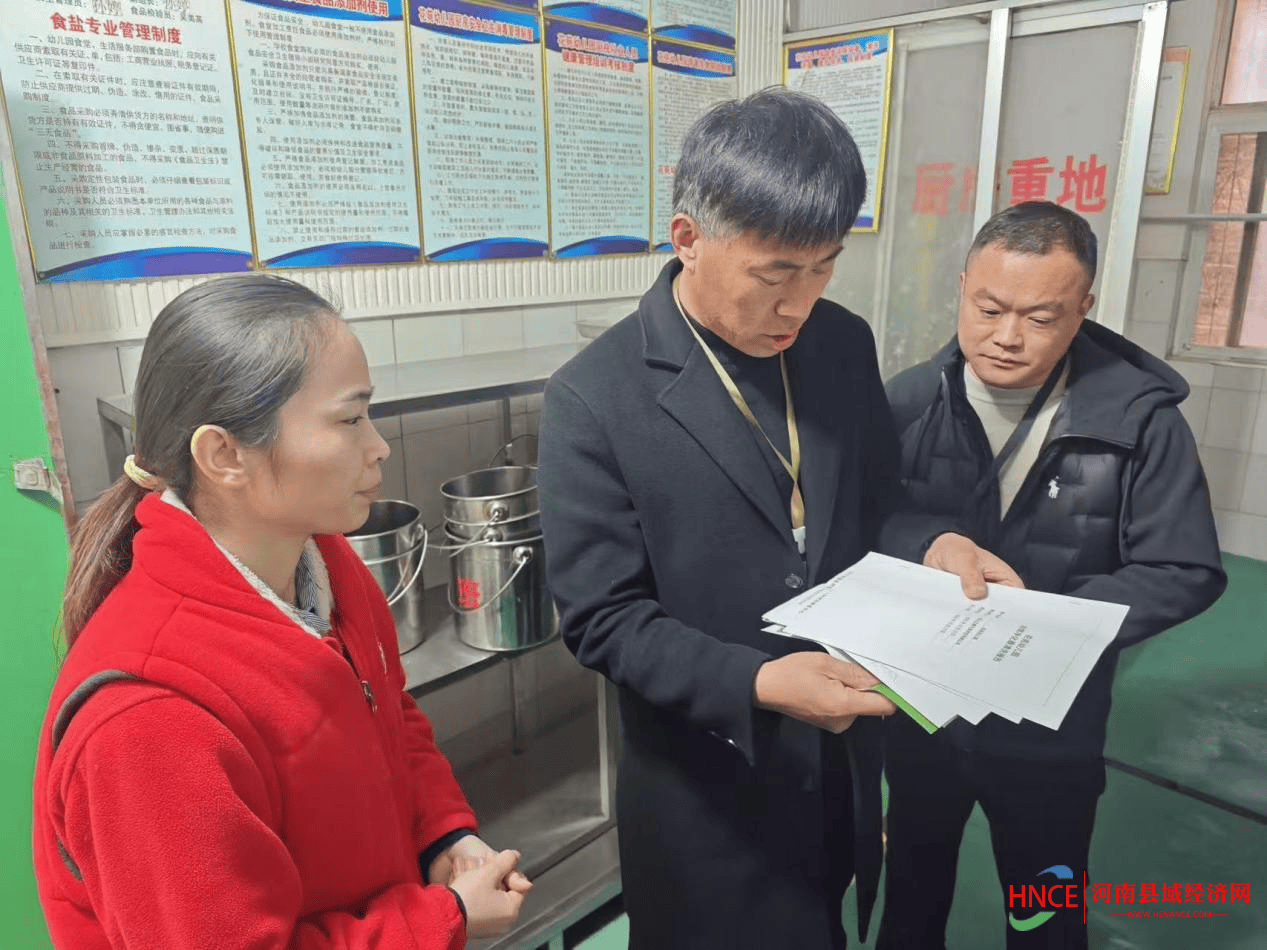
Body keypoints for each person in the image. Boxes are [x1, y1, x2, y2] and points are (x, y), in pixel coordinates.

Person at [536, 87, 1004, 950]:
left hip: (839, 757)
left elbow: (875, 502)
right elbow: (603, 620)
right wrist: (757, 684)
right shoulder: (594, 398)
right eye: (774, 273)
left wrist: (934, 543)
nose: (799, 302)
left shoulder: (839, 344)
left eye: (823, 266)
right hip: (704, 786)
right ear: (687, 238)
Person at [33, 275, 531, 950]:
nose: (378, 446)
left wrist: (442, 834)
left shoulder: (326, 562)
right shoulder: (148, 720)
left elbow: (390, 710)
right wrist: (441, 919)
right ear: (224, 455)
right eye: (350, 420)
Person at [876, 201, 1227, 949]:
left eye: (1040, 318)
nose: (1007, 336)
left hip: (1051, 729)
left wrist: (1047, 620)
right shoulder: (907, 400)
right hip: (923, 715)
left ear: (1083, 307)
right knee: (909, 896)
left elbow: (1184, 567)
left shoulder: (1139, 422)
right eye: (988, 308)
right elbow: (865, 523)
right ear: (962, 286)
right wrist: (928, 541)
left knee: (1044, 911)